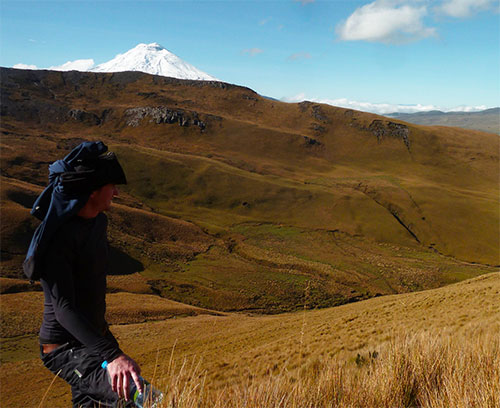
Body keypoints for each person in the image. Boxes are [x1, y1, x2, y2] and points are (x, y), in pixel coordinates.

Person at [24, 141, 142, 407]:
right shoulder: (58, 238)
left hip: (94, 338)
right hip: (64, 348)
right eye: (111, 186)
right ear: (92, 192)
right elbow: (64, 308)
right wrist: (112, 356)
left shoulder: (99, 222)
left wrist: (105, 345)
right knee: (138, 397)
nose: (116, 193)